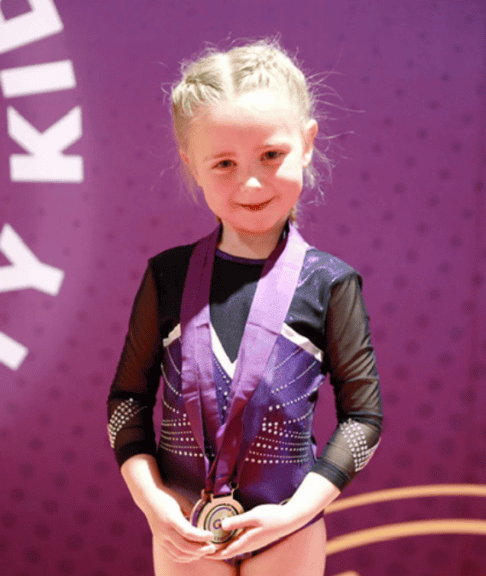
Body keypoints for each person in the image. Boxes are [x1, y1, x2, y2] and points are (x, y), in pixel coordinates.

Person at [106, 40, 383, 575]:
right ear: (192, 163)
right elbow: (127, 400)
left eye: (271, 155)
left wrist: (296, 512)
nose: (250, 182)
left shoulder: (330, 282)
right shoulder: (168, 276)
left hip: (287, 531)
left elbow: (363, 418)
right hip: (185, 527)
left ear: (306, 143)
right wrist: (154, 501)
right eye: (225, 163)